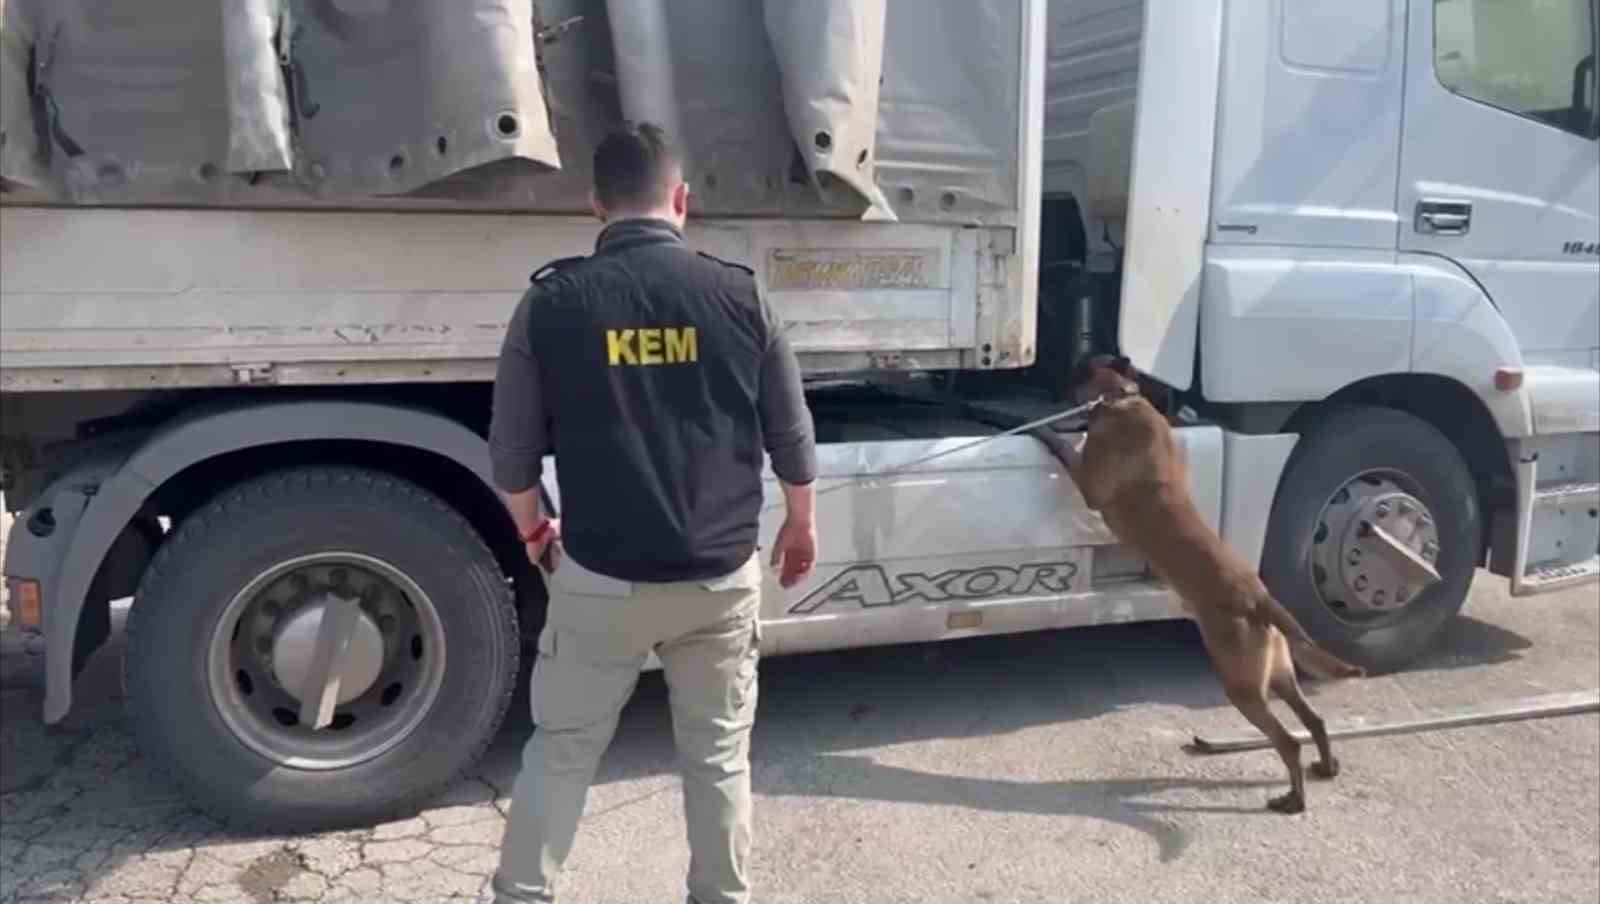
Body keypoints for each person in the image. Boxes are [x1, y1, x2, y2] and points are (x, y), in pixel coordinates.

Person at [484, 123, 819, 904]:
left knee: (562, 751)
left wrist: (535, 531)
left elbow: (512, 455)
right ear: (682, 200)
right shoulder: (741, 295)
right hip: (719, 578)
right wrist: (801, 521)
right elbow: (792, 436)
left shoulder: (550, 303)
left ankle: (521, 896)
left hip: (601, 578)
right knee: (719, 758)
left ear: (596, 206)